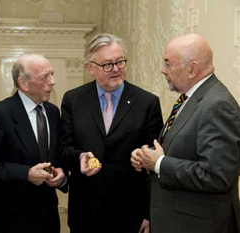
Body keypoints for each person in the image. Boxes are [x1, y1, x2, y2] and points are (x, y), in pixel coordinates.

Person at [131, 34, 240, 233]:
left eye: (168, 64)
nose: (163, 70)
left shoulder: (218, 105)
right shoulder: (189, 99)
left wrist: (158, 164)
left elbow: (217, 176)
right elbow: (180, 152)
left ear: (192, 69)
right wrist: (149, 159)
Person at [60, 33, 163, 233]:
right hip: (85, 212)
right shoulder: (73, 100)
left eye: (120, 62)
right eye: (107, 64)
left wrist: (147, 213)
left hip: (130, 215)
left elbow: (154, 160)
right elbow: (63, 150)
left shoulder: (147, 103)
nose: (116, 69)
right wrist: (80, 157)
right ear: (90, 68)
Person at [0, 54, 67, 233]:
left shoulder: (52, 112)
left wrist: (62, 177)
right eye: (45, 77)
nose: (53, 82)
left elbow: (56, 157)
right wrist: (26, 174)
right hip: (11, 220)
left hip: (49, 218)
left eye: (52, 74)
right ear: (23, 83)